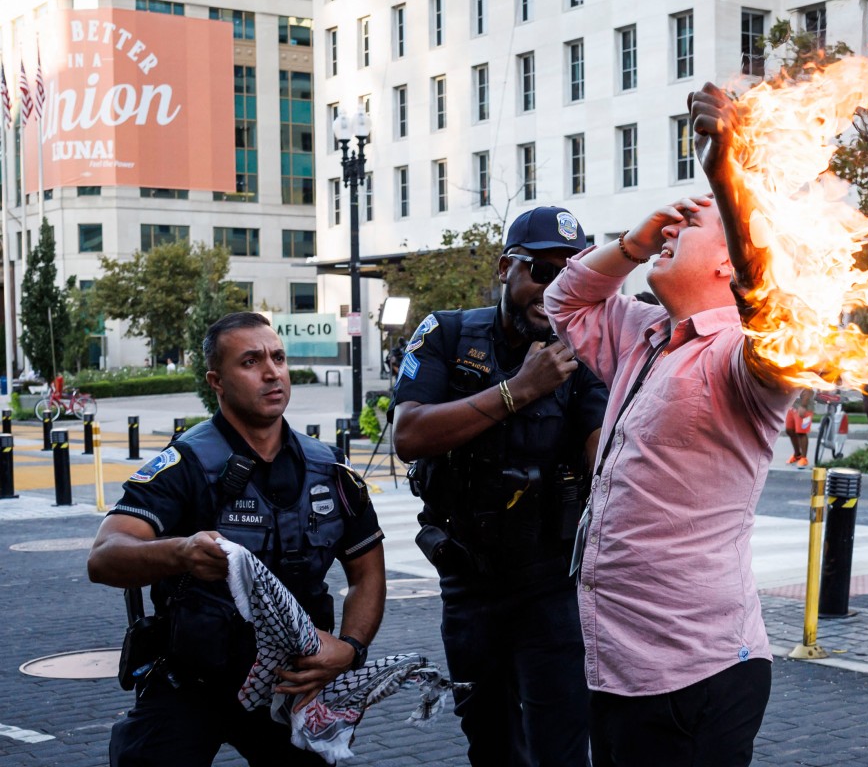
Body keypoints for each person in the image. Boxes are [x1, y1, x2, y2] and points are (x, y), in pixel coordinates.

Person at [543, 84, 797, 766]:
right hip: (618, 664)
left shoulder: (739, 357)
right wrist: (630, 243)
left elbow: (775, 314)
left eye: (696, 219)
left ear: (728, 261)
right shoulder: (645, 333)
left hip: (698, 675)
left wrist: (727, 174)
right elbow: (562, 303)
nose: (675, 222)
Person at [88, 312, 386, 767]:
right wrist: (180, 552)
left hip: (290, 685)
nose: (272, 372)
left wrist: (351, 648)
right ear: (217, 381)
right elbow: (105, 556)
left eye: (278, 358)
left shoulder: (329, 468)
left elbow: (367, 571)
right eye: (251, 361)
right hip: (194, 683)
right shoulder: (186, 463)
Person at [392, 206, 608, 766]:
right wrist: (519, 390)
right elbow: (410, 435)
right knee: (490, 744)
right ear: (506, 267)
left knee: (560, 747)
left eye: (572, 274)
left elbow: (604, 455)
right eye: (541, 269)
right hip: (470, 582)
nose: (554, 287)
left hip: (551, 584)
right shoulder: (447, 333)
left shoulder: (582, 354)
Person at [785, 388, 815, 466]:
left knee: (801, 432)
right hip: (792, 406)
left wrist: (803, 406)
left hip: (805, 408)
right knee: (789, 430)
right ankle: (797, 454)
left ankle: (804, 458)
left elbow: (808, 390)